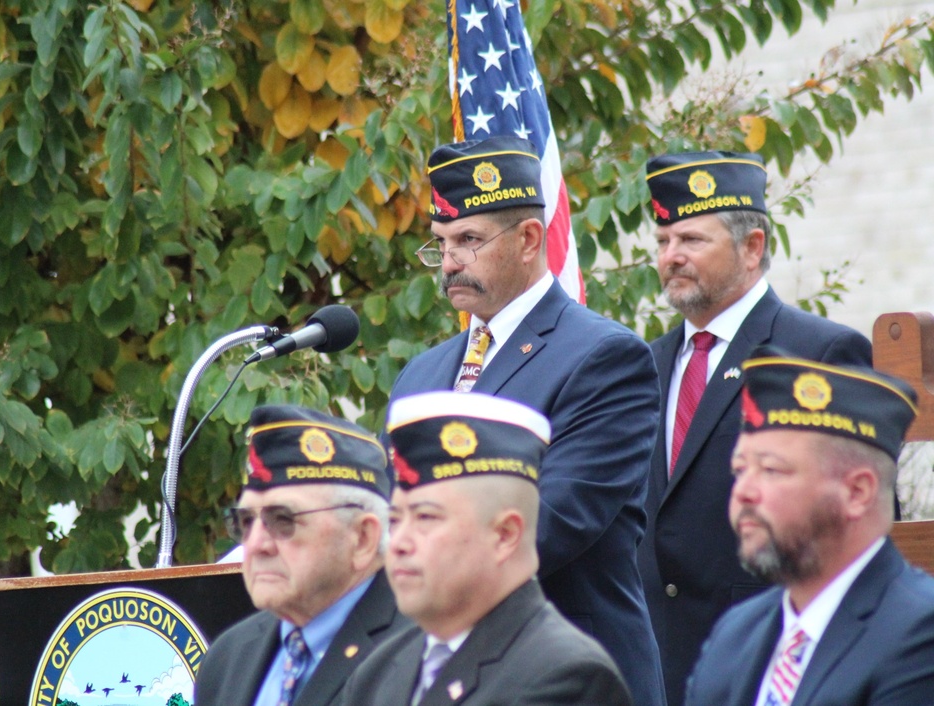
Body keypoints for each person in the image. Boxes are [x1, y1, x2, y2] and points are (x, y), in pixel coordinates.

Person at [389, 135, 664, 705]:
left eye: (468, 240)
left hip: (568, 677)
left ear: (530, 239)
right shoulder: (420, 375)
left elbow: (553, 520)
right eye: (440, 244)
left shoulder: (604, 357)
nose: (449, 263)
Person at [638, 150, 873, 706]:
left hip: (767, 661)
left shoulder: (816, 351)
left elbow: (847, 522)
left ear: (753, 246)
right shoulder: (645, 364)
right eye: (663, 242)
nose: (671, 257)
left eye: (691, 240)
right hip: (654, 667)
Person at [343, 391, 633, 705]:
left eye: (425, 517)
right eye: (395, 520)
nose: (398, 543)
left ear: (505, 535)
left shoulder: (565, 675)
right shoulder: (379, 669)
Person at [685, 348, 934, 705]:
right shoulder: (736, 634)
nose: (743, 492)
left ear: (856, 491)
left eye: (771, 469)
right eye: (740, 470)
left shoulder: (919, 636)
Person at [194, 405, 411, 706]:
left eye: (283, 519)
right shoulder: (228, 657)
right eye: (246, 522)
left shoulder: (420, 656)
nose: (256, 544)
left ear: (363, 538)